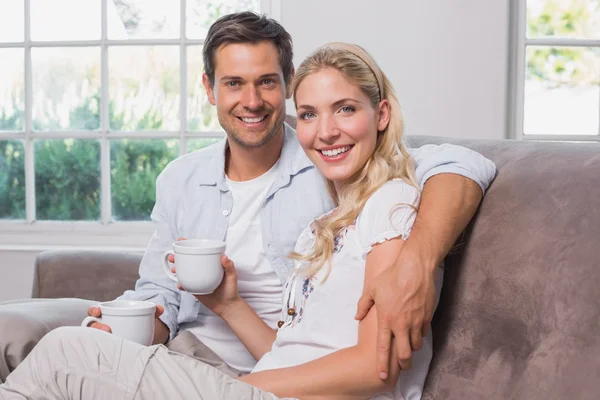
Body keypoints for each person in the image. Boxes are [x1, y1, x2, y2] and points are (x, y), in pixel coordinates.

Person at [0, 11, 495, 385]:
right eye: (233, 83)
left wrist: (417, 260)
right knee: (61, 350)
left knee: (62, 355)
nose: (252, 101)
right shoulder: (182, 179)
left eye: (266, 82)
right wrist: (128, 328)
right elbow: (160, 297)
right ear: (210, 89)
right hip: (196, 353)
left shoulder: (333, 163)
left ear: (285, 86)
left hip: (259, 373)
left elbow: (458, 163)